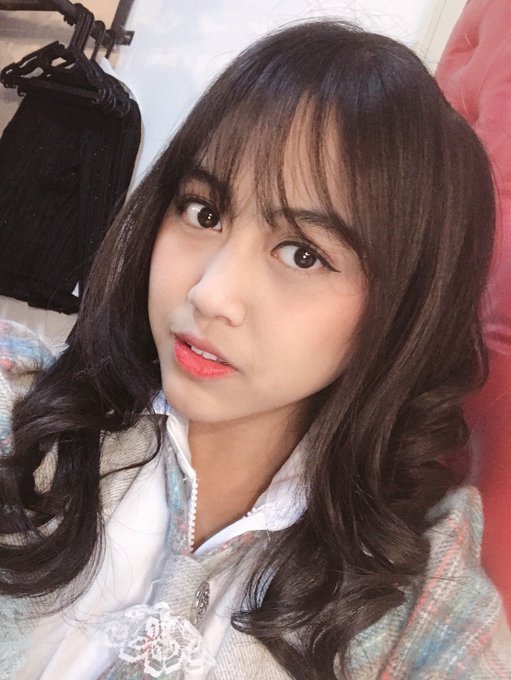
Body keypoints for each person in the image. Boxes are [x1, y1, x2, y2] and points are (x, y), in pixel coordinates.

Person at [0, 19, 510, 680]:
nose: (209, 294)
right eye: (203, 212)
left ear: (402, 312)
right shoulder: (21, 413)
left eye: (302, 254)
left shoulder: (418, 606)